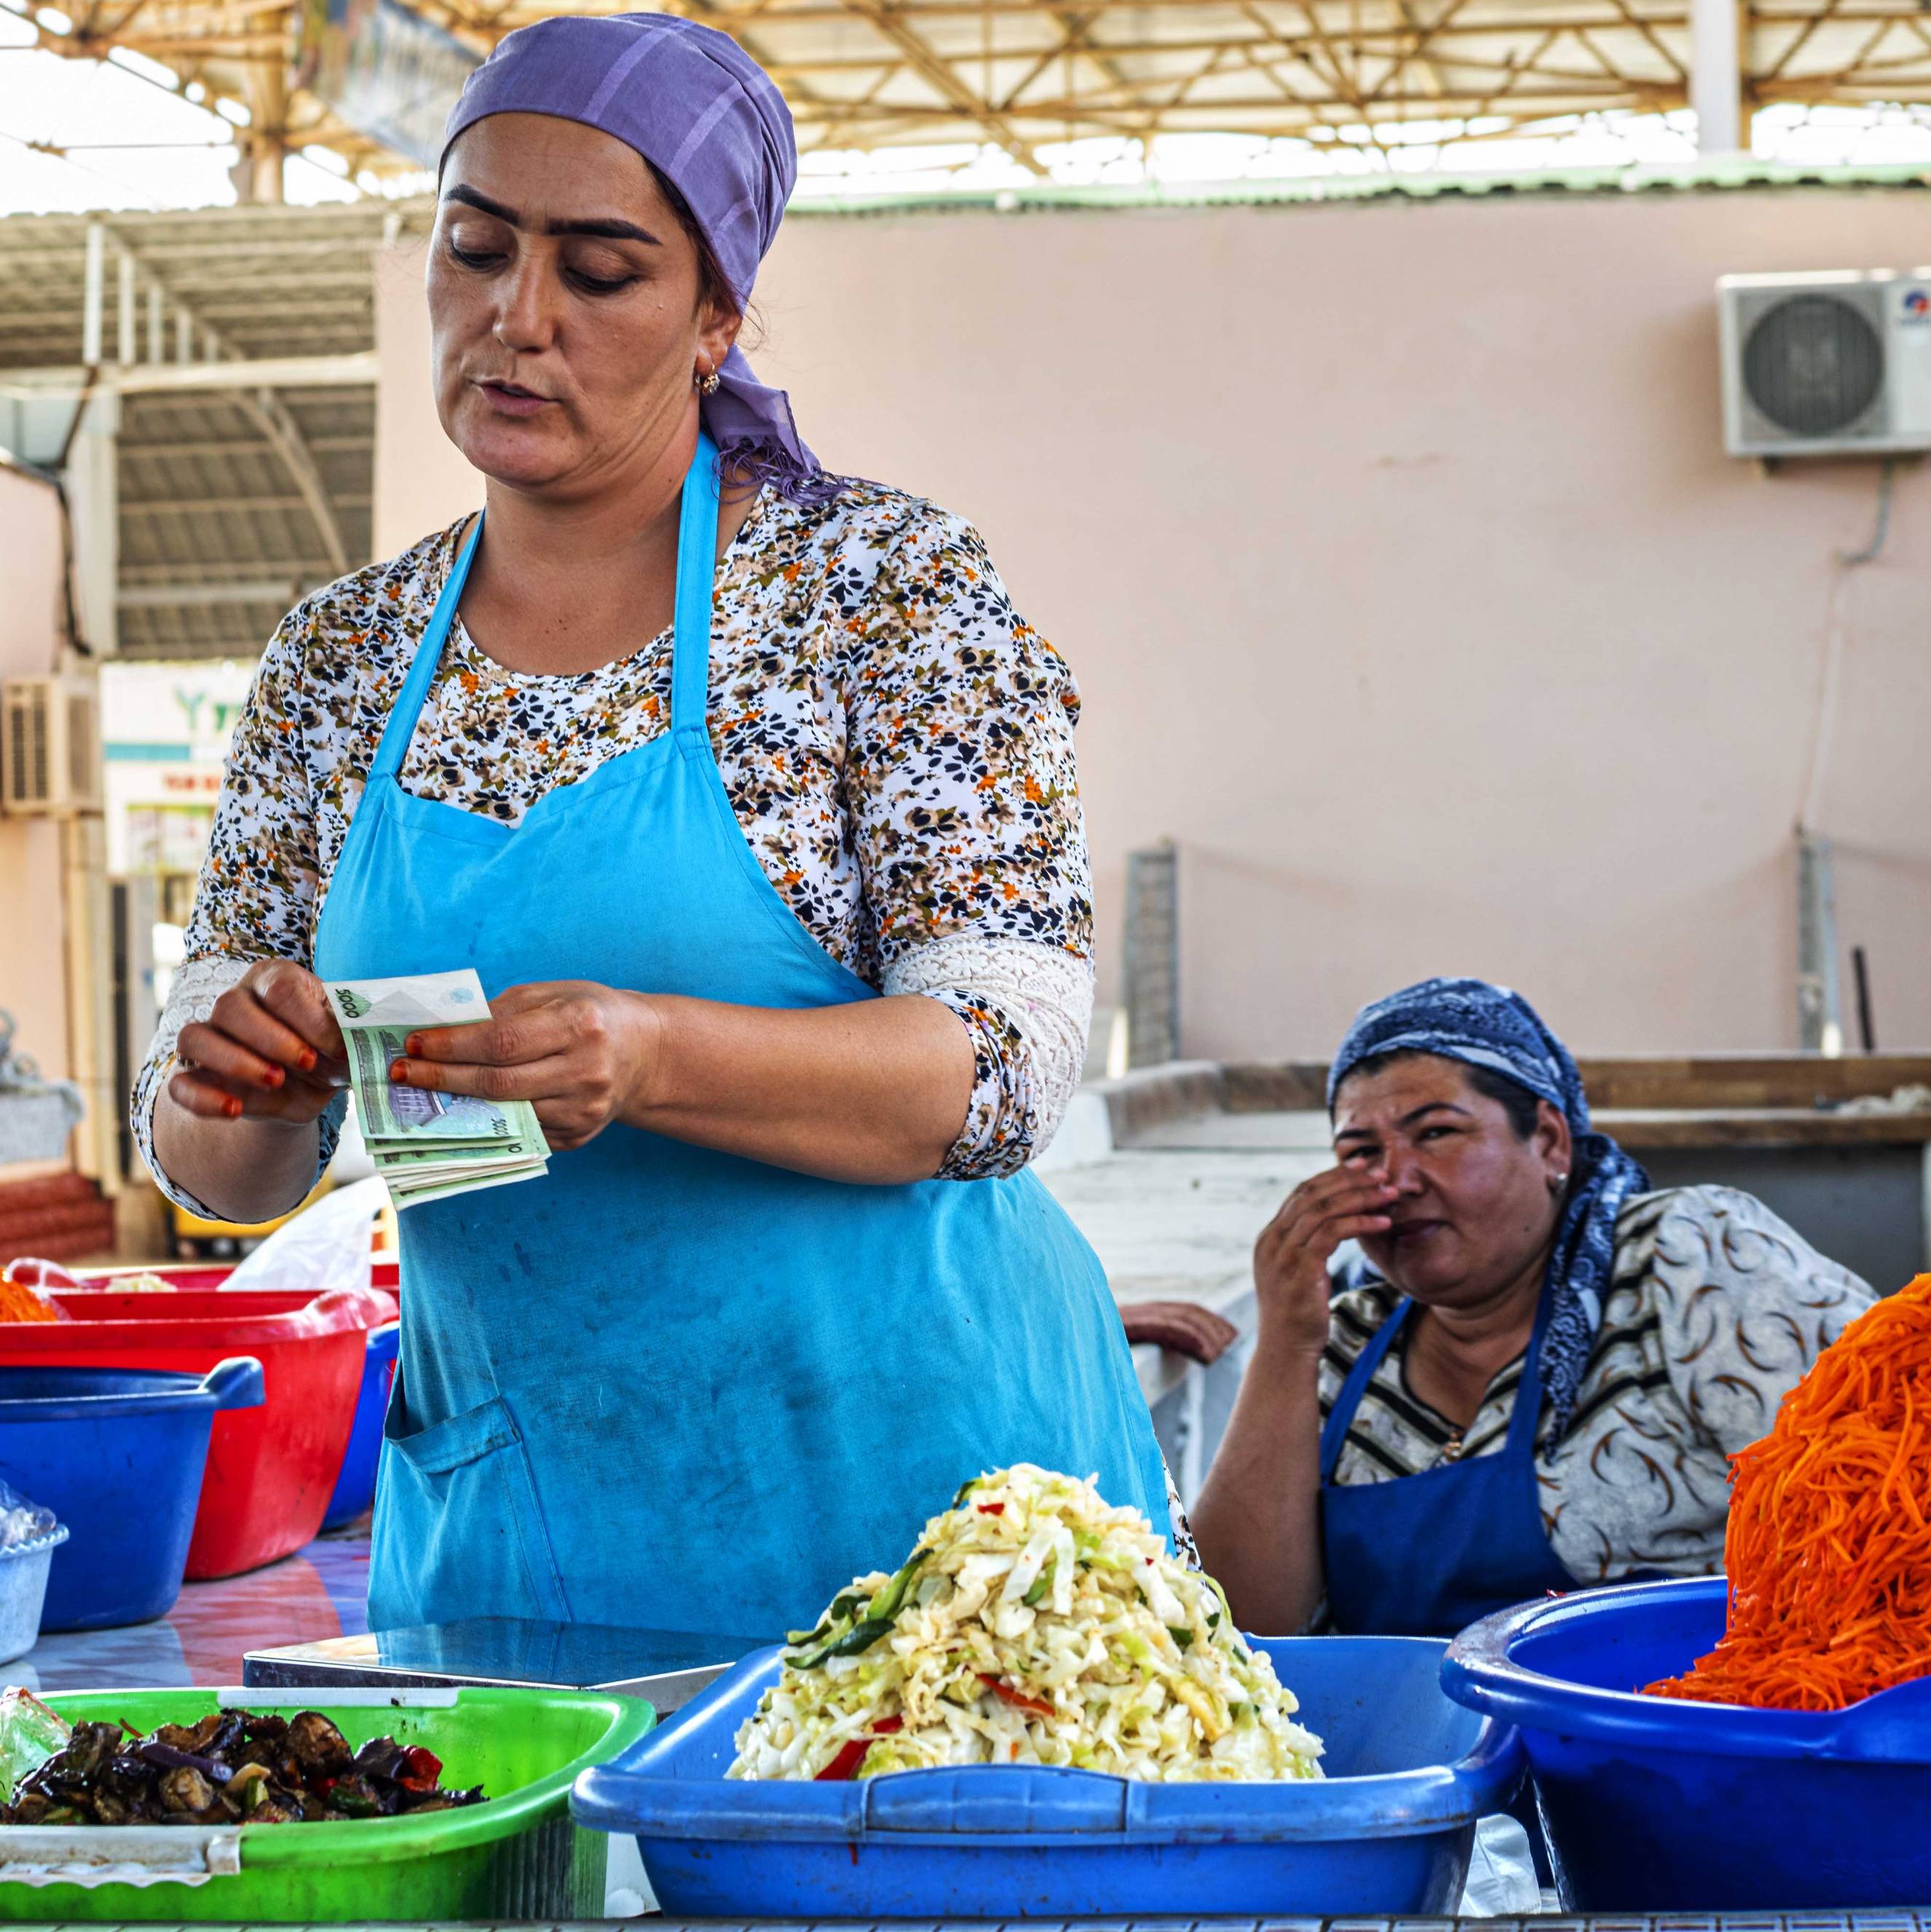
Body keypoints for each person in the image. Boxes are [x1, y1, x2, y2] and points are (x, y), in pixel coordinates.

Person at [131, 12, 1168, 1635]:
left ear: (715, 317)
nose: (514, 317)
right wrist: (237, 1075)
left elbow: (1008, 1062)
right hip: (541, 1522)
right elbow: (227, 1169)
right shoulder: (341, 660)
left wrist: (658, 1055)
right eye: (473, 249)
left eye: (599, 273)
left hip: (935, 1515)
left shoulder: (878, 597)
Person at [1192, 977, 1876, 1638]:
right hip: (1418, 1750)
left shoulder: (1686, 1260)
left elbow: (1876, 1514)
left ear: (1548, 1139)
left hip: (1685, 1738)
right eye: (1359, 1151)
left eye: (1435, 1133)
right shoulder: (1340, 1345)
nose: (1394, 1180)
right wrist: (1284, 1338)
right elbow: (1241, 1629)